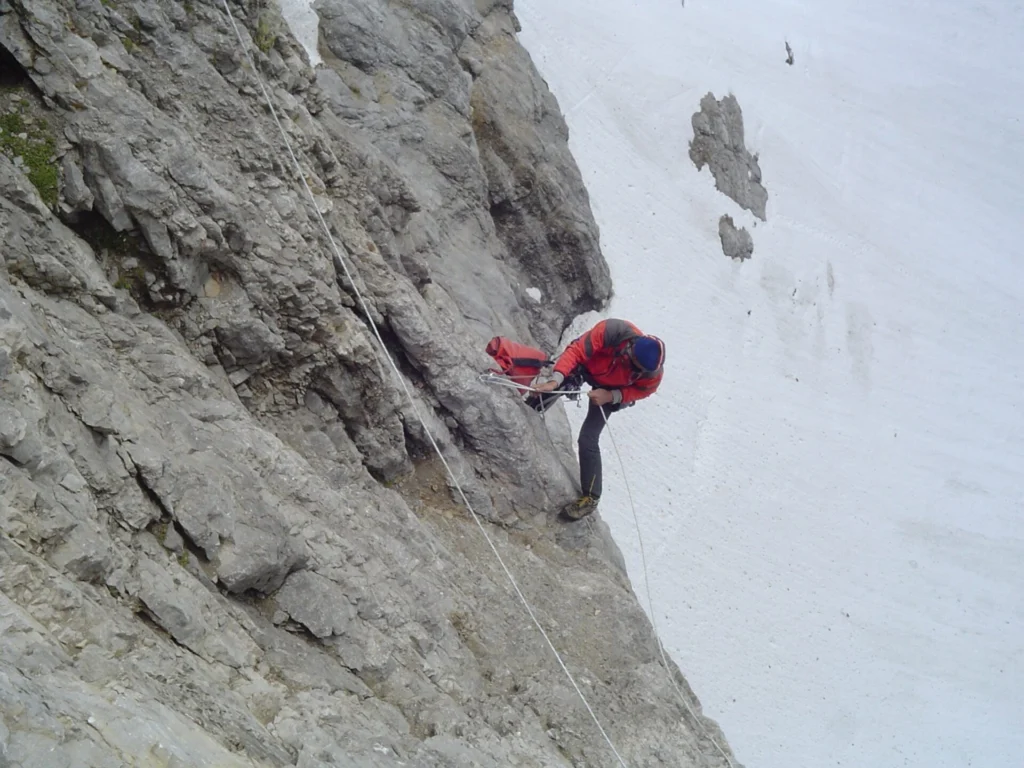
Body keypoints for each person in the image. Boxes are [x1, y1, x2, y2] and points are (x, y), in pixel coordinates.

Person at [533, 318, 665, 520]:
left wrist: (610, 396)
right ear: (630, 348)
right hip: (587, 365)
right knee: (554, 388)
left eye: (640, 370)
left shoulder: (652, 372)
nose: (637, 371)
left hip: (613, 389)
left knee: (588, 438)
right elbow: (577, 351)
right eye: (634, 365)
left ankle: (591, 497)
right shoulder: (613, 331)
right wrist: (554, 380)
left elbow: (640, 391)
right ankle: (527, 412)